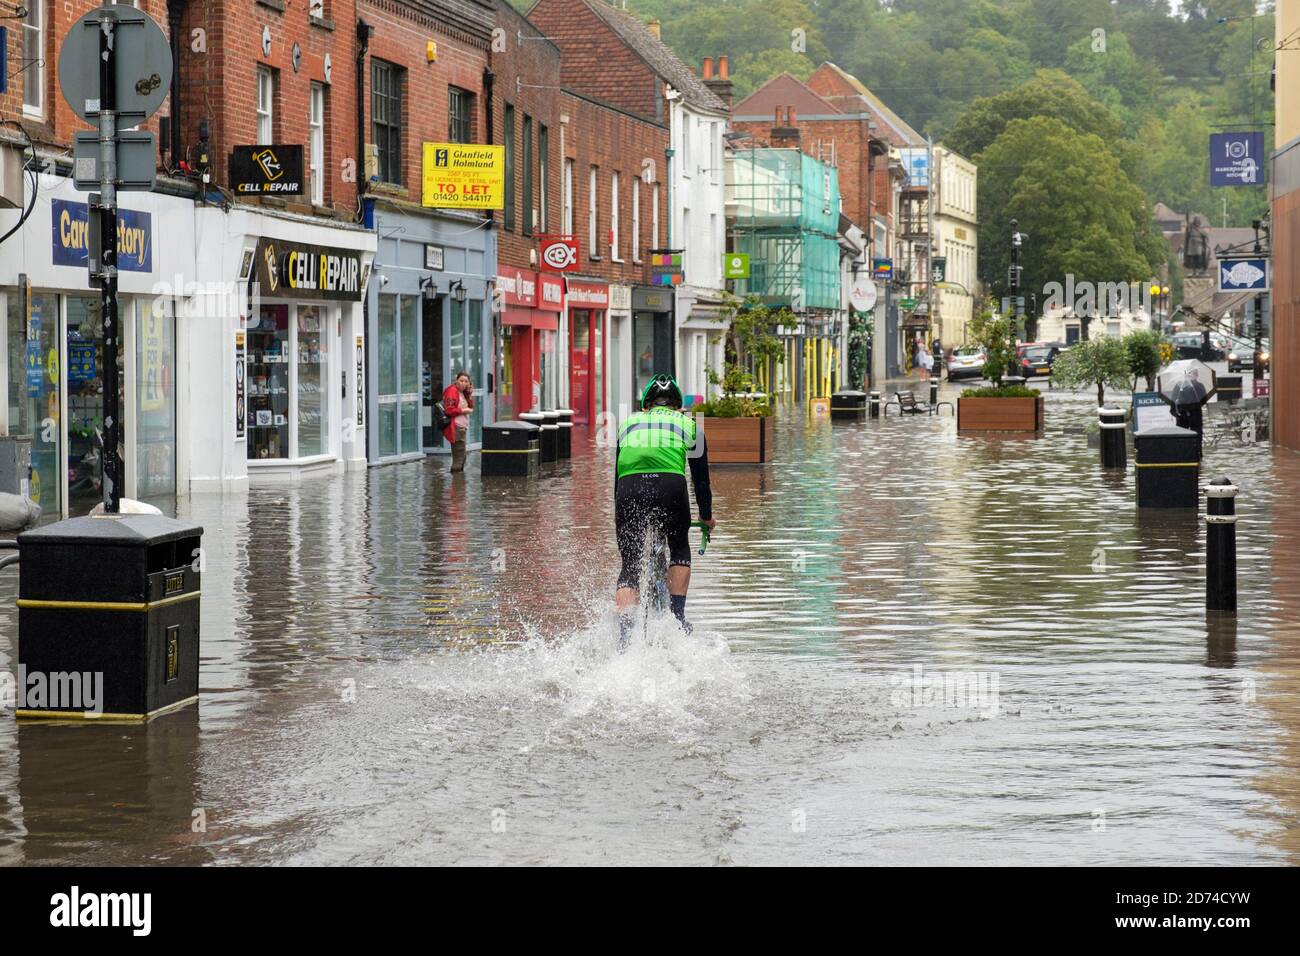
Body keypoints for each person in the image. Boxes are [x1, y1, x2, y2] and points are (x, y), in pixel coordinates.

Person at [614, 374, 715, 639]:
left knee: (630, 562)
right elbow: (701, 482)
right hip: (671, 488)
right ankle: (677, 619)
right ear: (678, 406)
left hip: (629, 490)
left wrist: (620, 514)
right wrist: (706, 517)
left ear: (645, 407)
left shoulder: (627, 424)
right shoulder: (690, 425)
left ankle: (626, 633)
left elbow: (617, 479)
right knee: (679, 545)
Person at [442, 371, 474, 473]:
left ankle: (459, 483)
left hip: (462, 427)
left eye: (466, 381)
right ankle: (457, 484)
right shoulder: (452, 391)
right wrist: (463, 410)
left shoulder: (463, 392)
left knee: (462, 456)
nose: (463, 383)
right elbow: (449, 410)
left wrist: (469, 394)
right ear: (456, 380)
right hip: (456, 427)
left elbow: (471, 406)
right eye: (461, 380)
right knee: (459, 457)